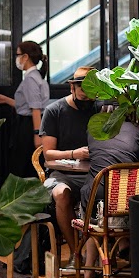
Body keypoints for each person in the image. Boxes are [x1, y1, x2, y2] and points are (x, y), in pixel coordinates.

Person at [39, 66, 97, 262]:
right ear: (72, 87)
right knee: (61, 194)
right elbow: (48, 154)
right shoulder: (54, 111)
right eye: (84, 92)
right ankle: (75, 253)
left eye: (92, 93)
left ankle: (101, 254)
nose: (88, 98)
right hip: (63, 174)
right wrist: (74, 154)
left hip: (93, 173)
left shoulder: (99, 109)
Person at [79, 121, 139, 278]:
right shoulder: (138, 131)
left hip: (99, 210)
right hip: (130, 210)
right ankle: (123, 243)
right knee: (110, 195)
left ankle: (89, 269)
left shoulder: (94, 129)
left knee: (93, 201)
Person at [0, 41, 49, 178]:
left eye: (17, 55)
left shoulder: (31, 79)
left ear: (25, 57)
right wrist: (5, 99)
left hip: (28, 126)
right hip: (31, 123)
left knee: (22, 165)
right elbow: (26, 105)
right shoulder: (36, 76)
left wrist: (37, 134)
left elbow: (35, 108)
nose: (16, 59)